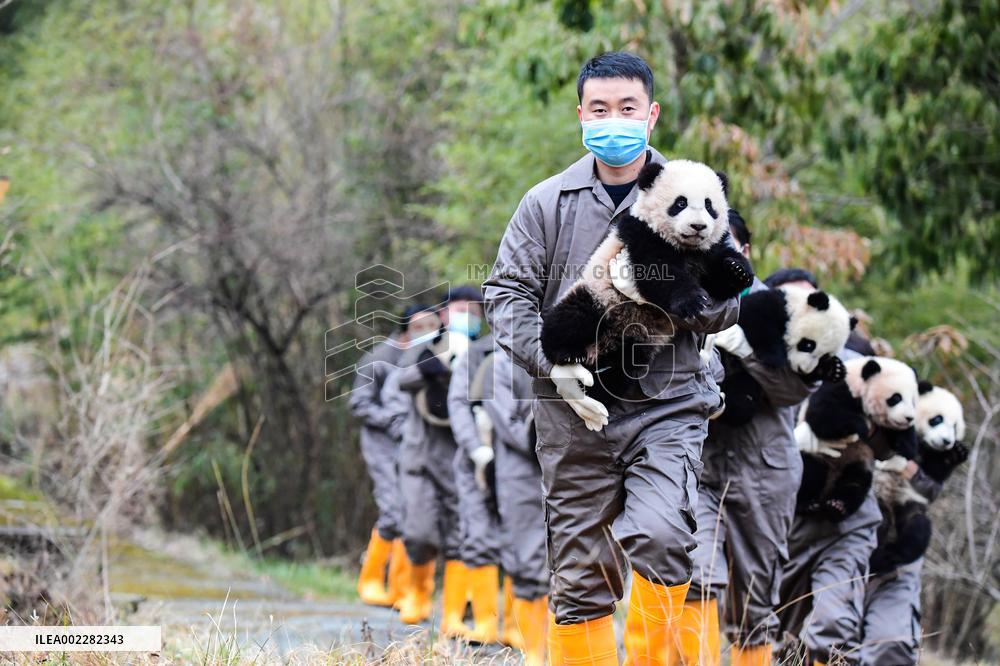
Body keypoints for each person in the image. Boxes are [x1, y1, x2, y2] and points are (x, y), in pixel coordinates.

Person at [483, 51, 738, 665]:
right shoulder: (545, 203)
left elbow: (732, 302)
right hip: (572, 416)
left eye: (627, 108)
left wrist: (672, 292)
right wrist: (552, 361)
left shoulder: (695, 192)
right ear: (580, 114)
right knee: (579, 579)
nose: (613, 120)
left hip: (668, 401)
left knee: (664, 534)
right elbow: (503, 293)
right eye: (600, 109)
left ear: (651, 115)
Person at [672, 213, 822, 666]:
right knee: (695, 577)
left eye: (729, 244)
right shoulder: (682, 301)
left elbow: (796, 387)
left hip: (766, 473)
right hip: (701, 466)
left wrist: (746, 350)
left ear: (747, 252)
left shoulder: (780, 310)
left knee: (756, 597)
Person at [381, 287, 482, 627]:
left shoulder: (482, 353)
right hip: (420, 456)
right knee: (419, 531)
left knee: (460, 537)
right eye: (458, 309)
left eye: (473, 310)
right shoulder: (424, 348)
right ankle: (416, 595)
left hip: (459, 458)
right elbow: (400, 382)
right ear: (443, 315)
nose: (465, 316)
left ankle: (452, 614)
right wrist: (434, 366)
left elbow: (489, 400)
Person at [350, 304, 438, 606]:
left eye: (432, 325)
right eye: (420, 326)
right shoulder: (379, 358)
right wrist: (393, 422)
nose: (427, 332)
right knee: (392, 509)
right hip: (380, 443)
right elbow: (358, 403)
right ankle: (371, 581)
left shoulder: (427, 356)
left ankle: (400, 589)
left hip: (412, 443)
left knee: (413, 513)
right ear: (405, 329)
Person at [486, 351, 549, 666]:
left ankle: (553, 645)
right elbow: (504, 418)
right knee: (525, 558)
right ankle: (532, 648)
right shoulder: (498, 364)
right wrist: (539, 436)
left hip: (560, 471)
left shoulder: (566, 355)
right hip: (519, 472)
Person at [447, 322, 503, 642]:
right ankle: (484, 624)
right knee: (479, 537)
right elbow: (458, 403)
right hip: (477, 462)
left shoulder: (539, 348)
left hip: (521, 462)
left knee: (524, 545)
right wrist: (476, 448)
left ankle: (516, 628)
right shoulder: (477, 353)